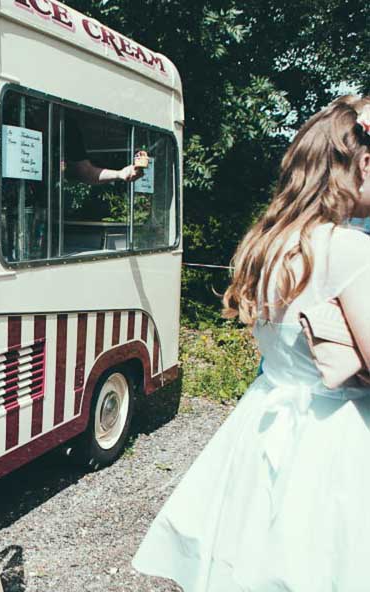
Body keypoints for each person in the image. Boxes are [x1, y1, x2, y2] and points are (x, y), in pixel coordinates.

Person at [132, 95, 370, 591]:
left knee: (262, 558)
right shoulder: (350, 250)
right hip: (335, 433)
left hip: (264, 422)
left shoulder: (269, 243)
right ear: (363, 164)